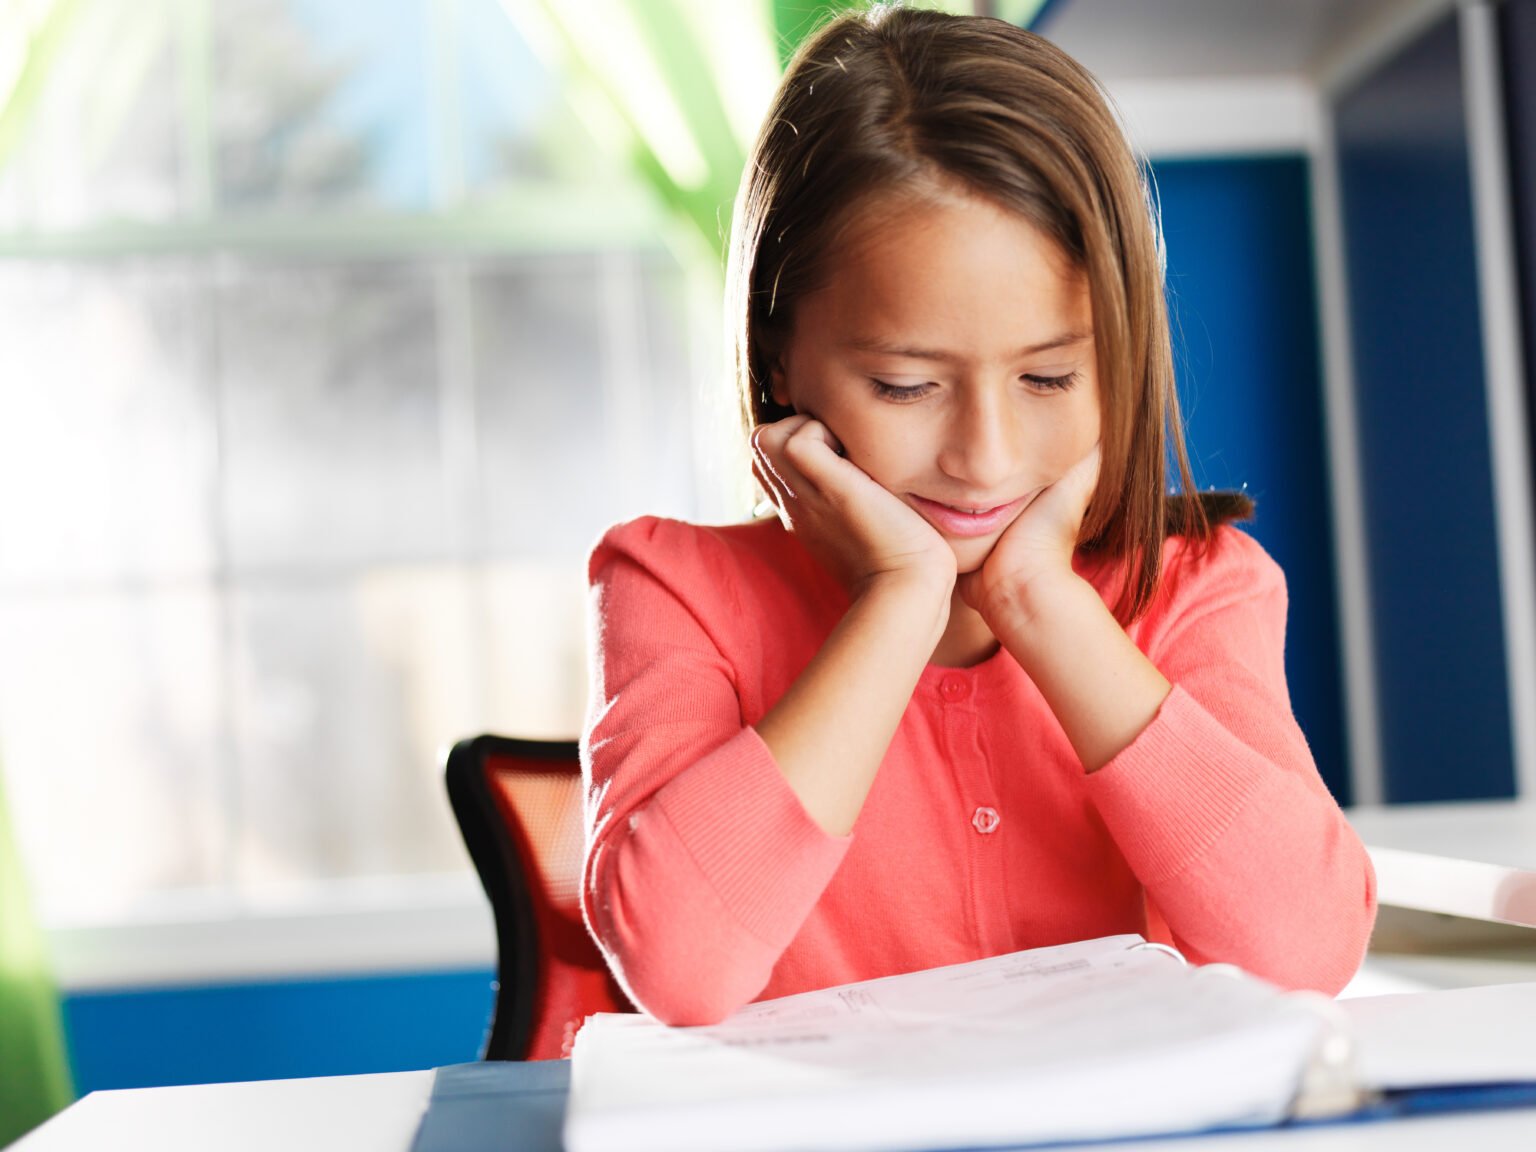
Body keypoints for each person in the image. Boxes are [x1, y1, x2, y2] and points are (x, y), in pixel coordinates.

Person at [580, 4, 1376, 1027]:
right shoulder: (673, 589)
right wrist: (900, 601)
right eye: (906, 386)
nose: (985, 459)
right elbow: (678, 971)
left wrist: (1043, 603)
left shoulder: (1193, 586)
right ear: (780, 359)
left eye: (1048, 378)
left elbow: (1307, 952)